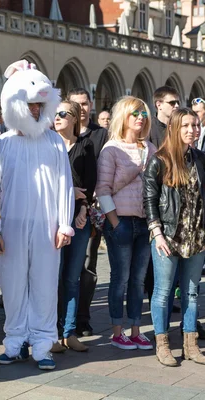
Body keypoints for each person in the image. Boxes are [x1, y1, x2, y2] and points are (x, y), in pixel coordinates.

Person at [0, 60, 74, 371]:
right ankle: (14, 343)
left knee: (43, 284)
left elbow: (65, 183)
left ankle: (42, 344)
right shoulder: (2, 144)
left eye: (41, 105)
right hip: (9, 226)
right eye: (31, 106)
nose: (36, 111)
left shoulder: (54, 142)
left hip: (46, 226)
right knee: (11, 286)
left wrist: (64, 223)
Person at [143, 108, 205, 366]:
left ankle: (191, 346)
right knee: (162, 292)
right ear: (175, 128)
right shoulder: (159, 160)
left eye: (196, 125)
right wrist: (157, 233)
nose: (192, 130)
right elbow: (149, 201)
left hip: (196, 238)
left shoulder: (201, 158)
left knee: (191, 293)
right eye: (187, 125)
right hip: (167, 238)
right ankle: (163, 345)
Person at [96, 96, 156, 351]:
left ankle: (135, 329)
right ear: (123, 116)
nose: (140, 118)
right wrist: (115, 221)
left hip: (145, 222)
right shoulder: (111, 149)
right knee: (120, 278)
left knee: (138, 280)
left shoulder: (150, 148)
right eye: (135, 113)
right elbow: (102, 189)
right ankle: (117, 331)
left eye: (143, 114)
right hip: (120, 221)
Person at [54, 100, 97, 352]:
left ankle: (69, 332)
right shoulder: (48, 144)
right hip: (52, 218)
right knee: (53, 276)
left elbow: (90, 184)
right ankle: (51, 331)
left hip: (79, 218)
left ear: (74, 118)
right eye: (55, 113)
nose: (57, 117)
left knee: (72, 276)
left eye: (62, 113)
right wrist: (72, 192)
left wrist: (83, 208)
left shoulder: (85, 145)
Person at [67, 88, 109, 337]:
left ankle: (83, 317)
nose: (81, 108)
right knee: (66, 267)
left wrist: (90, 204)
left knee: (88, 265)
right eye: (76, 104)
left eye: (84, 103)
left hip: (91, 209)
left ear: (90, 105)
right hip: (65, 208)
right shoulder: (57, 133)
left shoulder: (100, 134)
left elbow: (100, 171)